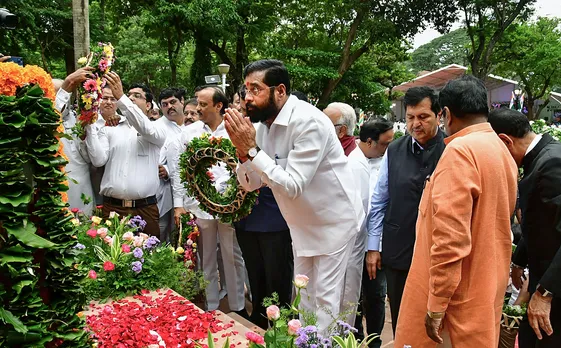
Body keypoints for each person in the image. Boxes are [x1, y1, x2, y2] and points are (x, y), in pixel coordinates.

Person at [225, 59, 364, 333]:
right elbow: (253, 183)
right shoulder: (263, 126)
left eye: (256, 89)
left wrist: (253, 151)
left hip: (333, 223)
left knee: (324, 302)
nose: (248, 98)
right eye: (246, 90)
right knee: (303, 299)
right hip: (301, 224)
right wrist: (243, 153)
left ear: (280, 91)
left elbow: (291, 185)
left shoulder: (309, 121)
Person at [394, 75, 518, 347]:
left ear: (446, 114)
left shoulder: (460, 152)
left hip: (456, 303)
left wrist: (437, 304)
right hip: (486, 289)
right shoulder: (500, 148)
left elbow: (450, 240)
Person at [366, 86, 445, 335]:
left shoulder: (452, 149)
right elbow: (379, 201)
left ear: (439, 115)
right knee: (402, 317)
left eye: (423, 117)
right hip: (399, 249)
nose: (415, 124)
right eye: (410, 117)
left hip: (437, 252)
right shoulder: (395, 150)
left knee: (435, 322)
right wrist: (373, 246)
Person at [167, 86, 247, 315]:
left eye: (203, 104)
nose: (197, 108)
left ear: (218, 106)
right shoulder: (189, 133)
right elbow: (180, 172)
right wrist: (179, 204)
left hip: (231, 205)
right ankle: (211, 306)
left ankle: (237, 306)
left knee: (233, 256)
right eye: (198, 104)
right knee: (207, 256)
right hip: (200, 206)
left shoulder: (234, 130)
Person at [488, 108, 561, 347]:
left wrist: (546, 293)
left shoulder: (552, 163)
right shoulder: (540, 158)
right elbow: (541, 221)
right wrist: (519, 259)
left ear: (505, 141)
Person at [234, 85, 293, 329]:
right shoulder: (240, 132)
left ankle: (282, 329)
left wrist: (249, 150)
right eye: (240, 101)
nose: (242, 106)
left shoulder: (273, 130)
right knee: (255, 274)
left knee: (277, 279)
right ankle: (258, 320)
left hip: (273, 215)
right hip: (246, 217)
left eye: (247, 101)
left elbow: (281, 177)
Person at [85, 72, 166, 236]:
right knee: (111, 259)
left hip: (145, 209)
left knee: (150, 259)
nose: (131, 98)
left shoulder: (157, 128)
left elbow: (143, 127)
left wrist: (121, 97)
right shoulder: (110, 127)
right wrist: (90, 124)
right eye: (129, 95)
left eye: (137, 96)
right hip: (112, 208)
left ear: (149, 105)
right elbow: (98, 160)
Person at [356, 118, 394, 348]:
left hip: (377, 243)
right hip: (353, 241)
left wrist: (375, 247)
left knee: (377, 295)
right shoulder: (351, 161)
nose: (389, 148)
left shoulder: (389, 161)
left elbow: (380, 206)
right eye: (385, 143)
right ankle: (356, 336)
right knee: (353, 295)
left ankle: (374, 340)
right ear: (369, 141)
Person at [156, 87, 186, 241]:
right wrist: (167, 169)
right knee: (163, 231)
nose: (169, 107)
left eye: (173, 102)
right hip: (164, 190)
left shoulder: (194, 124)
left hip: (192, 191)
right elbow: (157, 159)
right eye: (164, 104)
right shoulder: (158, 127)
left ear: (182, 101)